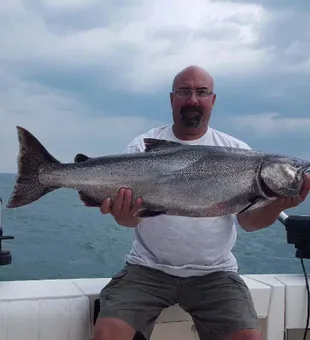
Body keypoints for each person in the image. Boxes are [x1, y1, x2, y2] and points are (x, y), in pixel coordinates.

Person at [92, 65, 310, 340]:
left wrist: (278, 205)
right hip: (147, 269)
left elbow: (249, 223)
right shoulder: (142, 146)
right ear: (172, 99)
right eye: (184, 92)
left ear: (212, 100)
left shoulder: (238, 152)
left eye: (201, 92)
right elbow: (129, 220)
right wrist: (122, 214)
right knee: (108, 334)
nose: (193, 99)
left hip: (215, 274)